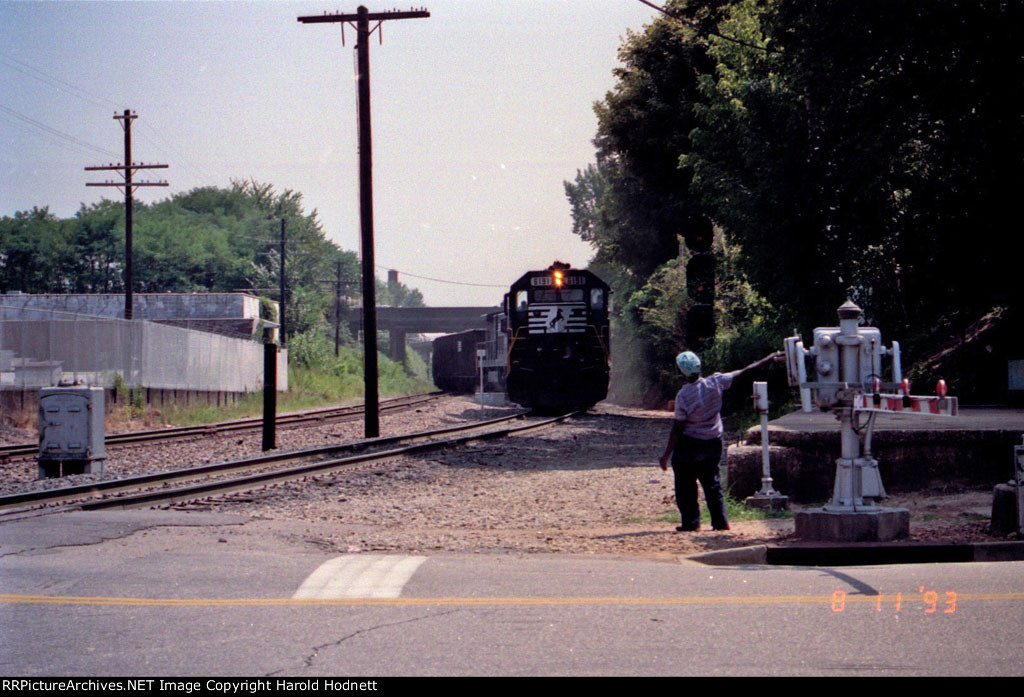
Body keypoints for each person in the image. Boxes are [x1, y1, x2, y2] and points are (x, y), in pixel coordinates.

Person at [658, 349, 783, 532]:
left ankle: (691, 523)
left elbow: (678, 428)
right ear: (699, 367)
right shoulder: (716, 382)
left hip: (690, 445)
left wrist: (666, 455)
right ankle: (720, 522)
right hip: (713, 443)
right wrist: (769, 358)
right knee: (712, 483)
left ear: (682, 373)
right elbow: (746, 371)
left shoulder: (683, 396)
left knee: (685, 484)